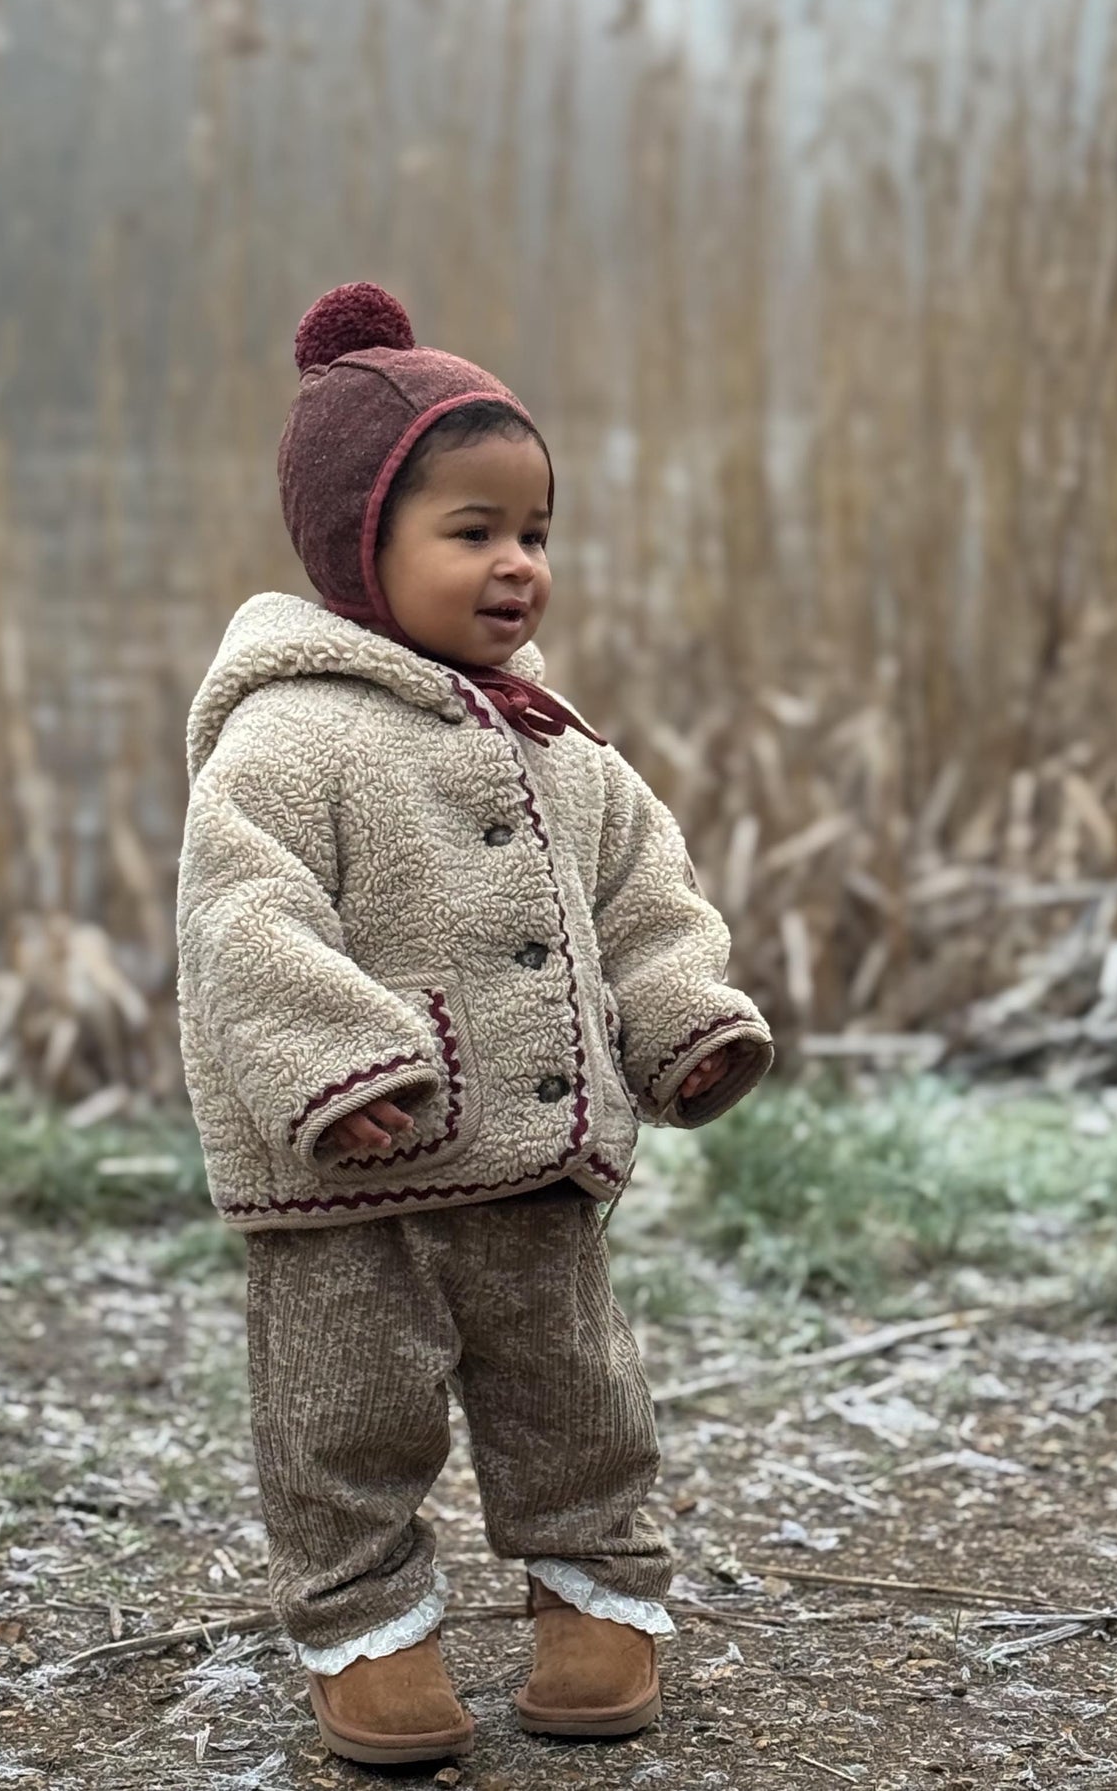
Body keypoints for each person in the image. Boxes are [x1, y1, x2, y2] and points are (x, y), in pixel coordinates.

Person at [174, 282, 774, 1767]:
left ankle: (596, 1600)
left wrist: (680, 1015)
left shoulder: (552, 743)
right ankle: (366, 1630)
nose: (518, 567)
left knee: (575, 1397)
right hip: (348, 1175)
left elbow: (642, 895)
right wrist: (334, 1062)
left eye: (535, 533)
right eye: (473, 532)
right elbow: (242, 927)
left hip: (537, 1166)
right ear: (354, 547)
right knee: (343, 1424)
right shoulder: (287, 736)